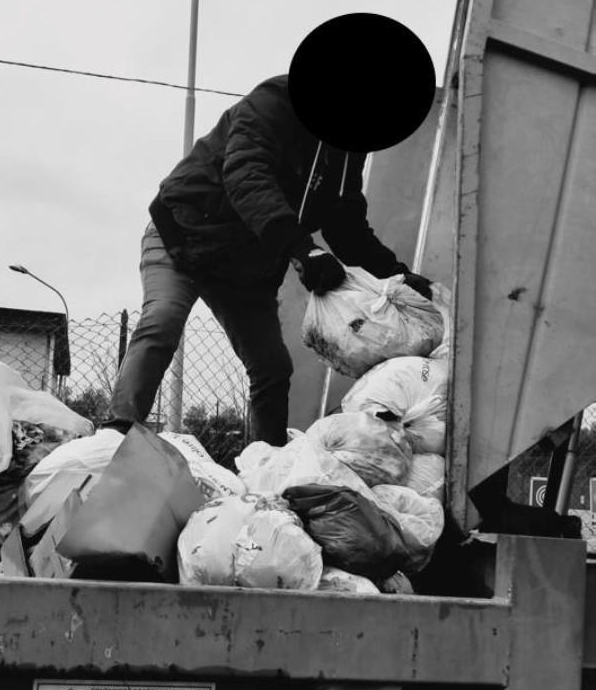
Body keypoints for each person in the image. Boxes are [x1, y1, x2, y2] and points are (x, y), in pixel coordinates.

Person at [106, 73, 432, 447]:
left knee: (272, 367)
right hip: (183, 236)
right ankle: (117, 435)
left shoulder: (347, 152)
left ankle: (269, 466)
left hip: (243, 271)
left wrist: (397, 275)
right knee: (162, 322)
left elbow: (347, 226)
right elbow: (246, 174)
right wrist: (300, 247)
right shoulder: (275, 102)